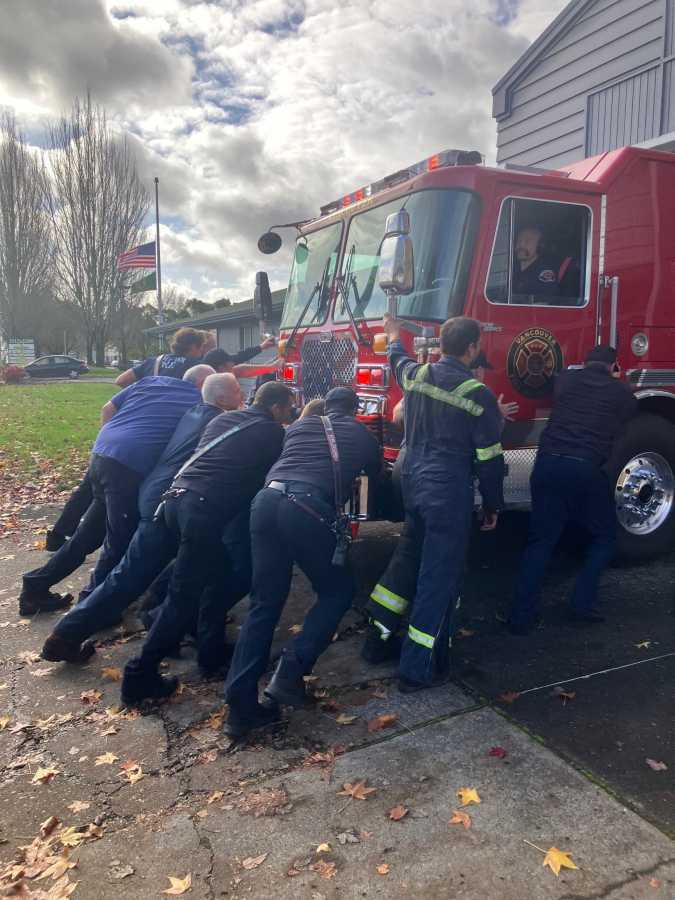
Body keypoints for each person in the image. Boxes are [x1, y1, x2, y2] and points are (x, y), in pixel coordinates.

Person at [40, 373, 242, 664]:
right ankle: (68, 633)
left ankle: (156, 621)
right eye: (237, 391)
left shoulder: (195, 413)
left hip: (155, 493)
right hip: (167, 499)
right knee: (133, 574)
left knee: (137, 572)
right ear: (223, 398)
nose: (242, 395)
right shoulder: (220, 422)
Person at [120, 381, 296, 705]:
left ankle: (209, 650)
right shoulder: (272, 433)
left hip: (174, 501)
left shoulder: (223, 419)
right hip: (201, 512)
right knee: (183, 597)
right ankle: (139, 673)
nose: (289, 414)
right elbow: (270, 477)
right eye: (288, 408)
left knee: (218, 575)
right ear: (276, 407)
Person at [223, 387, 381, 739]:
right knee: (337, 591)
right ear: (354, 410)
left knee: (264, 603)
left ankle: (239, 710)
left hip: (265, 503)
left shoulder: (297, 426)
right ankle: (289, 675)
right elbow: (375, 483)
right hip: (308, 508)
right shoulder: (362, 435)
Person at [372, 315, 504, 692]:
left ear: (442, 344)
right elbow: (489, 458)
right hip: (447, 493)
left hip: (412, 484)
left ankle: (375, 643)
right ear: (473, 347)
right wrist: (493, 505)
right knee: (437, 579)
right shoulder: (478, 394)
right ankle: (416, 669)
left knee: (404, 565)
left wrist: (394, 332)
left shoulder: (416, 375)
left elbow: (396, 355)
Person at [18, 365, 214, 617]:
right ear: (203, 384)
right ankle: (92, 606)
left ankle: (35, 586)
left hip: (102, 455)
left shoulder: (151, 382)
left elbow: (107, 408)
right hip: (127, 469)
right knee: (118, 542)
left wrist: (110, 443)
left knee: (88, 535)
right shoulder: (197, 401)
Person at [508, 345, 637, 634]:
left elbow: (558, 378)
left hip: (547, 464)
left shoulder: (566, 380)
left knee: (540, 542)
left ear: (585, 362)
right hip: (585, 469)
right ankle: (582, 603)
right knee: (604, 536)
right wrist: (619, 379)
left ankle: (520, 617)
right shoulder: (620, 393)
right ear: (613, 366)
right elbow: (629, 409)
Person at [115, 327, 207, 387]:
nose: (202, 351)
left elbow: (121, 380)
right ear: (194, 346)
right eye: (202, 346)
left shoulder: (153, 362)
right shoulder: (197, 367)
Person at [512, 226, 560, 300]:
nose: (521, 245)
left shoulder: (544, 274)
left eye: (527, 241)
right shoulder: (510, 268)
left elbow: (544, 304)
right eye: (519, 241)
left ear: (540, 246)